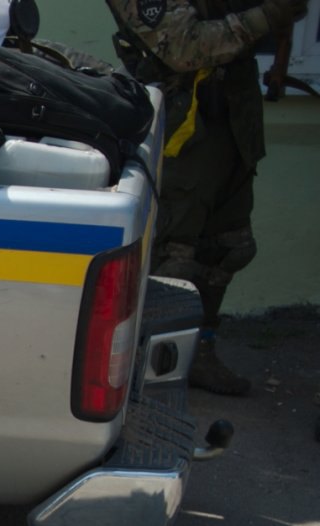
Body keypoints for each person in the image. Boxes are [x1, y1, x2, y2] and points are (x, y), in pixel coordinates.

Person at [106, 0, 309, 395]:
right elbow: (183, 49)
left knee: (229, 247)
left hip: (233, 118)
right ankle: (149, 371)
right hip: (184, 132)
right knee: (173, 258)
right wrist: (268, 15)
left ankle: (198, 353)